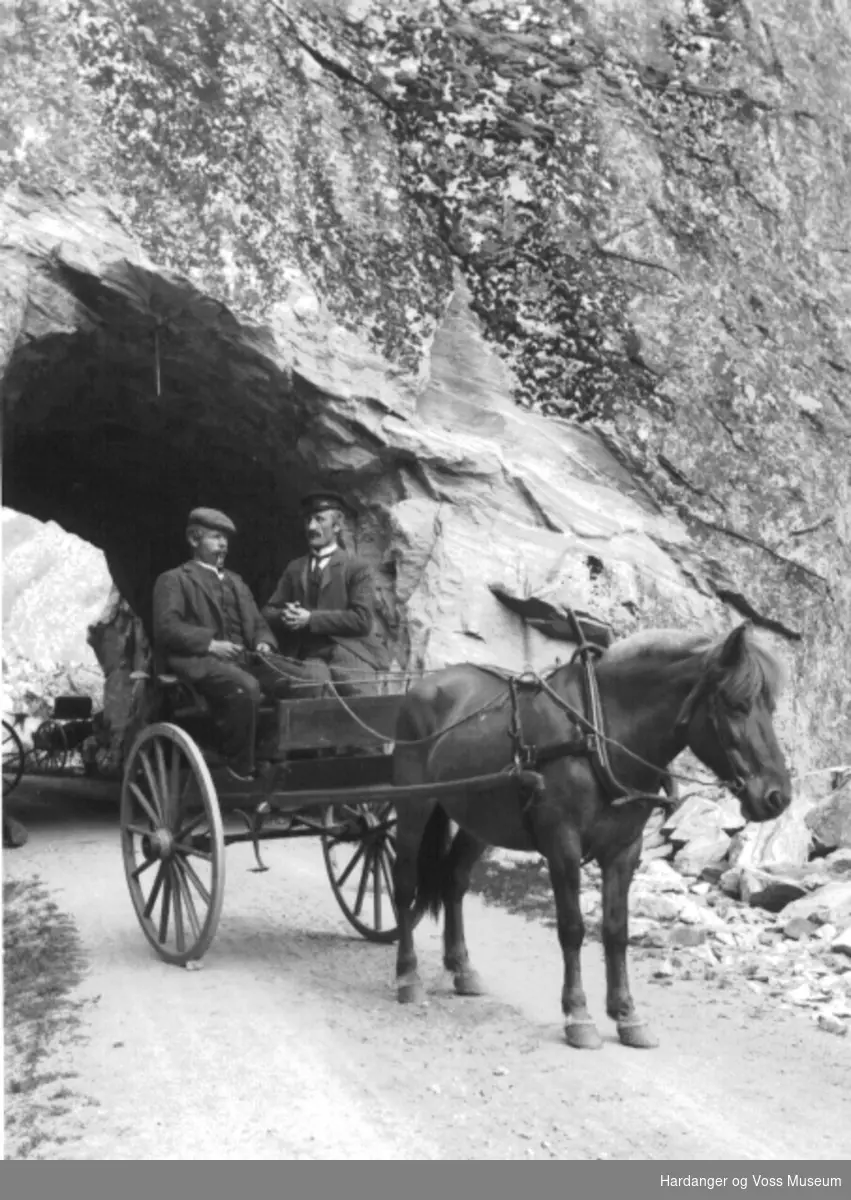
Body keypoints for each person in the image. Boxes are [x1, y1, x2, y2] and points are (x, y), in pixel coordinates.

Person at [151, 507, 295, 780]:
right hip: (199, 662)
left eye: (226, 539)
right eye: (216, 537)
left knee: (296, 681)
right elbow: (166, 628)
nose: (223, 545)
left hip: (242, 661)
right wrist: (210, 645)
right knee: (246, 687)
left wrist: (264, 642)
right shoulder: (174, 580)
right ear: (194, 540)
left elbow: (258, 623)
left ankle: (272, 757)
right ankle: (239, 767)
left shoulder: (236, 582)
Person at [262, 490, 389, 696]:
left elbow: (362, 620)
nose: (312, 527)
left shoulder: (356, 567)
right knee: (310, 697)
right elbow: (268, 612)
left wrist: (310, 619)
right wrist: (286, 615)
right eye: (308, 520)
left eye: (320, 520)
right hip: (310, 656)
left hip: (349, 651)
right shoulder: (295, 568)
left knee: (364, 704)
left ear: (337, 526)